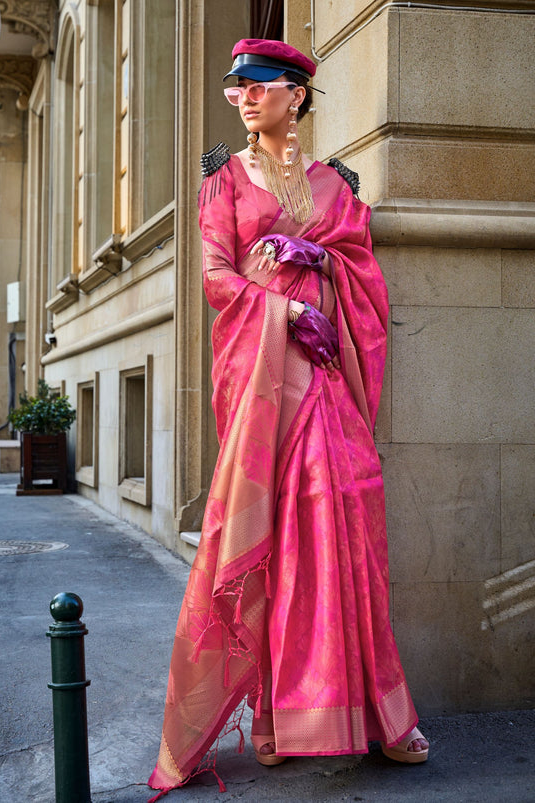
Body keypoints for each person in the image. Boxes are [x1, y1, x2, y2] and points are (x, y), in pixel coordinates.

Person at [148, 38, 428, 799]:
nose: (241, 97)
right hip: (265, 385)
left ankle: (380, 712)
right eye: (236, 86)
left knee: (347, 531)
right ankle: (272, 715)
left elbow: (360, 264)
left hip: (327, 380)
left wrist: (319, 266)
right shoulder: (222, 184)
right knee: (269, 544)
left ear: (295, 95)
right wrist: (282, 308)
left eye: (257, 85)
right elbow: (213, 277)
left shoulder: (333, 185)